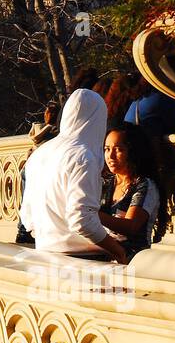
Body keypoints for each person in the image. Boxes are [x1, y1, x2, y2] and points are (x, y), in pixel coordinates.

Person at [20, 89, 128, 264]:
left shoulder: (40, 153)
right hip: (83, 258)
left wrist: (51, 237)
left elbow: (27, 217)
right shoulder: (84, 157)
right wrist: (116, 250)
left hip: (45, 253)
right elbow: (81, 218)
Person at [100, 124, 169, 259]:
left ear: (133, 151)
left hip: (132, 260)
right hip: (103, 254)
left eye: (119, 149)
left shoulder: (144, 185)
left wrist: (90, 215)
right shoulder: (106, 182)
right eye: (107, 149)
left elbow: (131, 226)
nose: (111, 156)